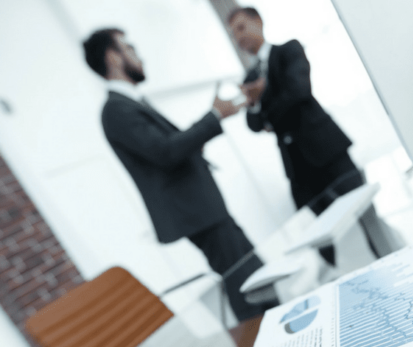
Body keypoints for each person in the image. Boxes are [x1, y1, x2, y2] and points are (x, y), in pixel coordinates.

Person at [82, 28, 273, 321]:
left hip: (205, 210)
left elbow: (169, 149)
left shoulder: (129, 103)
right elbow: (166, 152)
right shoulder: (116, 110)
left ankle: (281, 332)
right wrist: (214, 117)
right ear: (113, 57)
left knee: (255, 273)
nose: (138, 54)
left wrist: (225, 110)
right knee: (245, 284)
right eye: (129, 47)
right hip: (197, 213)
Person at [228, 7, 381, 265]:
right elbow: (254, 124)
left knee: (366, 214)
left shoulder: (289, 50)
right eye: (233, 35)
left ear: (258, 22)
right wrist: (256, 106)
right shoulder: (250, 78)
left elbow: (299, 91)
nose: (239, 38)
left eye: (241, 28)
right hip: (297, 169)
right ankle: (342, 276)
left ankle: (391, 257)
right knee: (319, 236)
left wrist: (266, 107)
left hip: (328, 150)